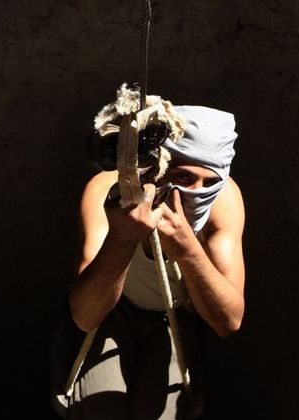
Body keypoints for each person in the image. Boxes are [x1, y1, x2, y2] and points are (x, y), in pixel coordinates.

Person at [58, 106, 245, 419]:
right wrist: (122, 239)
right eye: (183, 177)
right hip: (113, 312)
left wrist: (187, 248)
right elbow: (85, 316)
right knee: (98, 410)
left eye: (209, 181)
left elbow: (228, 321)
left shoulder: (224, 202)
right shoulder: (107, 192)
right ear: (154, 168)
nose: (196, 193)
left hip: (173, 317)